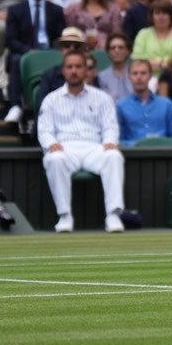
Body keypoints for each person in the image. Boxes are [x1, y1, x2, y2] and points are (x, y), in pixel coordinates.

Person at [36, 48, 125, 232]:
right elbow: (44, 130)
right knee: (53, 159)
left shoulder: (102, 98)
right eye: (69, 67)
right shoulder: (50, 100)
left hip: (94, 147)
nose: (74, 71)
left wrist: (110, 141)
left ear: (86, 70)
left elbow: (110, 126)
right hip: (65, 148)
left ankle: (113, 215)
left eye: (78, 66)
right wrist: (51, 144)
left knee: (114, 156)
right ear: (63, 70)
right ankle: (65, 216)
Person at [115, 58, 172, 144]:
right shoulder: (121, 106)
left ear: (150, 76)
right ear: (129, 77)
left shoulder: (166, 104)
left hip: (162, 152)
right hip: (133, 154)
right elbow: (119, 140)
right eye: (135, 73)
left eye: (143, 73)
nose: (139, 77)